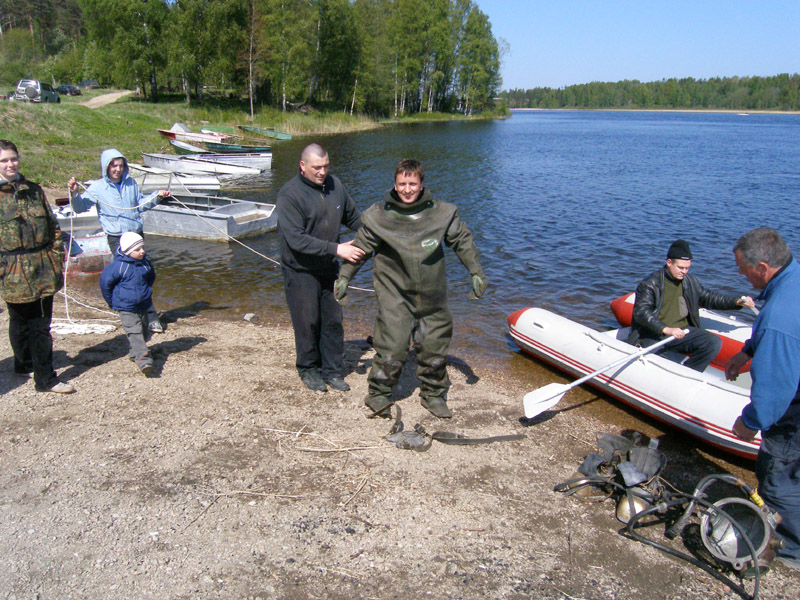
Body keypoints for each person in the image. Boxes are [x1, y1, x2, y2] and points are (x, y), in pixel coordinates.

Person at [334, 159, 487, 419]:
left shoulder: (442, 213)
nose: (407, 189)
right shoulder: (378, 216)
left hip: (432, 294)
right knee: (392, 344)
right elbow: (360, 249)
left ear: (422, 184)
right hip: (394, 292)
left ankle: (433, 394)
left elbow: (462, 240)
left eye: (412, 184)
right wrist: (344, 277)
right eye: (402, 184)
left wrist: (476, 271)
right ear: (395, 185)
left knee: (434, 345)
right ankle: (379, 393)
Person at [726, 227, 800, 571]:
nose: (741, 275)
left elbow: (776, 387)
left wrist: (751, 420)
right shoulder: (792, 279)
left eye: (743, 269)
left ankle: (789, 549)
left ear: (762, 267)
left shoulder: (778, 314)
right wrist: (748, 350)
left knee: (777, 476)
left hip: (794, 412)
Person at [277, 143, 364, 392]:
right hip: (300, 269)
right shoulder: (289, 195)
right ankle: (308, 368)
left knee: (333, 320)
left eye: (326, 166)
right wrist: (337, 249)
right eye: (317, 167)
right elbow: (297, 240)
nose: (322, 172)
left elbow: (354, 217)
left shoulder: (335, 185)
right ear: (302, 166)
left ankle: (332, 371)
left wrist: (374, 233)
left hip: (328, 267)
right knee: (308, 322)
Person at [0, 140, 74, 393]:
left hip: (42, 267)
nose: (10, 164)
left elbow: (53, 228)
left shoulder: (34, 190)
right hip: (10, 270)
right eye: (4, 160)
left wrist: (56, 259)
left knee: (40, 325)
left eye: (13, 158)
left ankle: (45, 379)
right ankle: (23, 363)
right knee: (19, 321)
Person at [68, 149, 169, 333]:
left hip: (136, 235)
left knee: (142, 274)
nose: (117, 169)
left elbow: (140, 204)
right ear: (106, 167)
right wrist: (75, 194)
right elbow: (80, 208)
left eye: (121, 166)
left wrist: (158, 196)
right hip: (117, 238)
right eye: (114, 166)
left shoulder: (131, 183)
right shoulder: (97, 187)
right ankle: (131, 315)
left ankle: (150, 316)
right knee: (127, 276)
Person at [627, 239, 753, 372]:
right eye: (680, 268)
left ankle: (690, 372)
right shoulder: (650, 284)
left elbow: (709, 298)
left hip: (681, 332)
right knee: (657, 361)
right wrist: (665, 329)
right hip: (654, 334)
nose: (684, 272)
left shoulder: (690, 282)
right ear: (669, 262)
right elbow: (642, 313)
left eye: (687, 268)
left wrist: (736, 302)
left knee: (713, 342)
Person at [99, 232, 158, 375]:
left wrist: (146, 293)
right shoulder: (118, 266)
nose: (142, 251)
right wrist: (111, 302)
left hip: (143, 304)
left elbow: (150, 278)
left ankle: (134, 353)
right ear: (127, 251)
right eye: (137, 249)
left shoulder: (145, 264)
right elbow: (105, 284)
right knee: (134, 331)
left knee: (144, 331)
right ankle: (143, 360)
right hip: (125, 306)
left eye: (143, 247)